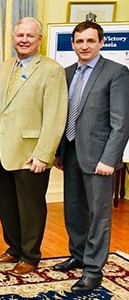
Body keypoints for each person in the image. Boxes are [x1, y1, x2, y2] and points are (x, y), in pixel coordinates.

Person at [53, 21, 129, 292]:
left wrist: (110, 159)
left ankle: (93, 270)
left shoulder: (116, 73)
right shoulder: (67, 72)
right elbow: (63, 116)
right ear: (72, 44)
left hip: (100, 158)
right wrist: (60, 151)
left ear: (101, 42)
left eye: (90, 41)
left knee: (99, 214)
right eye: (79, 41)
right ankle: (78, 254)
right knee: (73, 209)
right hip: (71, 151)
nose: (84, 46)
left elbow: (121, 122)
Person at [0, 17, 67, 275]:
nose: (23, 40)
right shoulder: (3, 67)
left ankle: (30, 255)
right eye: (19, 35)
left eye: (29, 36)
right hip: (2, 150)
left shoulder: (51, 70)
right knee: (7, 203)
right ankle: (13, 248)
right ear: (13, 37)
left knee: (30, 206)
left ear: (39, 40)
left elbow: (55, 116)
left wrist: (44, 154)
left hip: (31, 153)